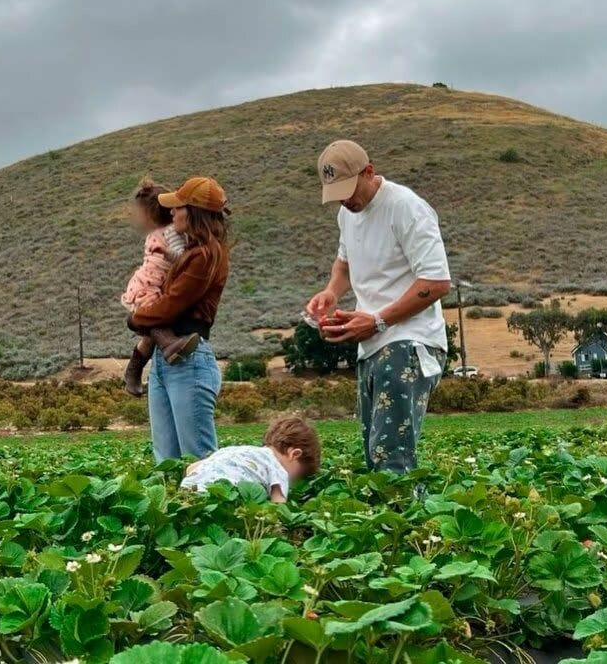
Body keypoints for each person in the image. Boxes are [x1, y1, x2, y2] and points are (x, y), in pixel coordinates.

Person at [306, 140, 451, 474]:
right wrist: (331, 292)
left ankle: (403, 524)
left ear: (369, 172)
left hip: (409, 343)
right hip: (371, 344)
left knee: (391, 458)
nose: (344, 200)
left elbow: (436, 282)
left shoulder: (406, 207)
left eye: (348, 190)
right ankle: (397, 521)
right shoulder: (348, 213)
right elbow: (343, 264)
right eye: (337, 193)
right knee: (376, 454)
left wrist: (379, 321)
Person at [129, 176, 230, 463]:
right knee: (167, 463)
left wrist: (136, 318)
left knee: (198, 461)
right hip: (167, 359)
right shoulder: (190, 252)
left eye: (178, 207)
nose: (172, 213)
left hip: (189, 359)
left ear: (195, 212)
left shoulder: (207, 256)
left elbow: (170, 307)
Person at [121, 178, 201, 397]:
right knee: (155, 325)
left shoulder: (165, 233)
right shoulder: (169, 233)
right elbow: (181, 258)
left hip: (150, 284)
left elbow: (178, 257)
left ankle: (132, 373)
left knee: (148, 336)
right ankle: (170, 346)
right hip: (149, 286)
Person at [180, 415, 321, 501]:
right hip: (220, 497)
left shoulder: (239, 450)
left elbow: (191, 467)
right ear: (294, 454)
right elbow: (278, 506)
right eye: (296, 476)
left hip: (188, 490)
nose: (290, 482)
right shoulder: (278, 469)